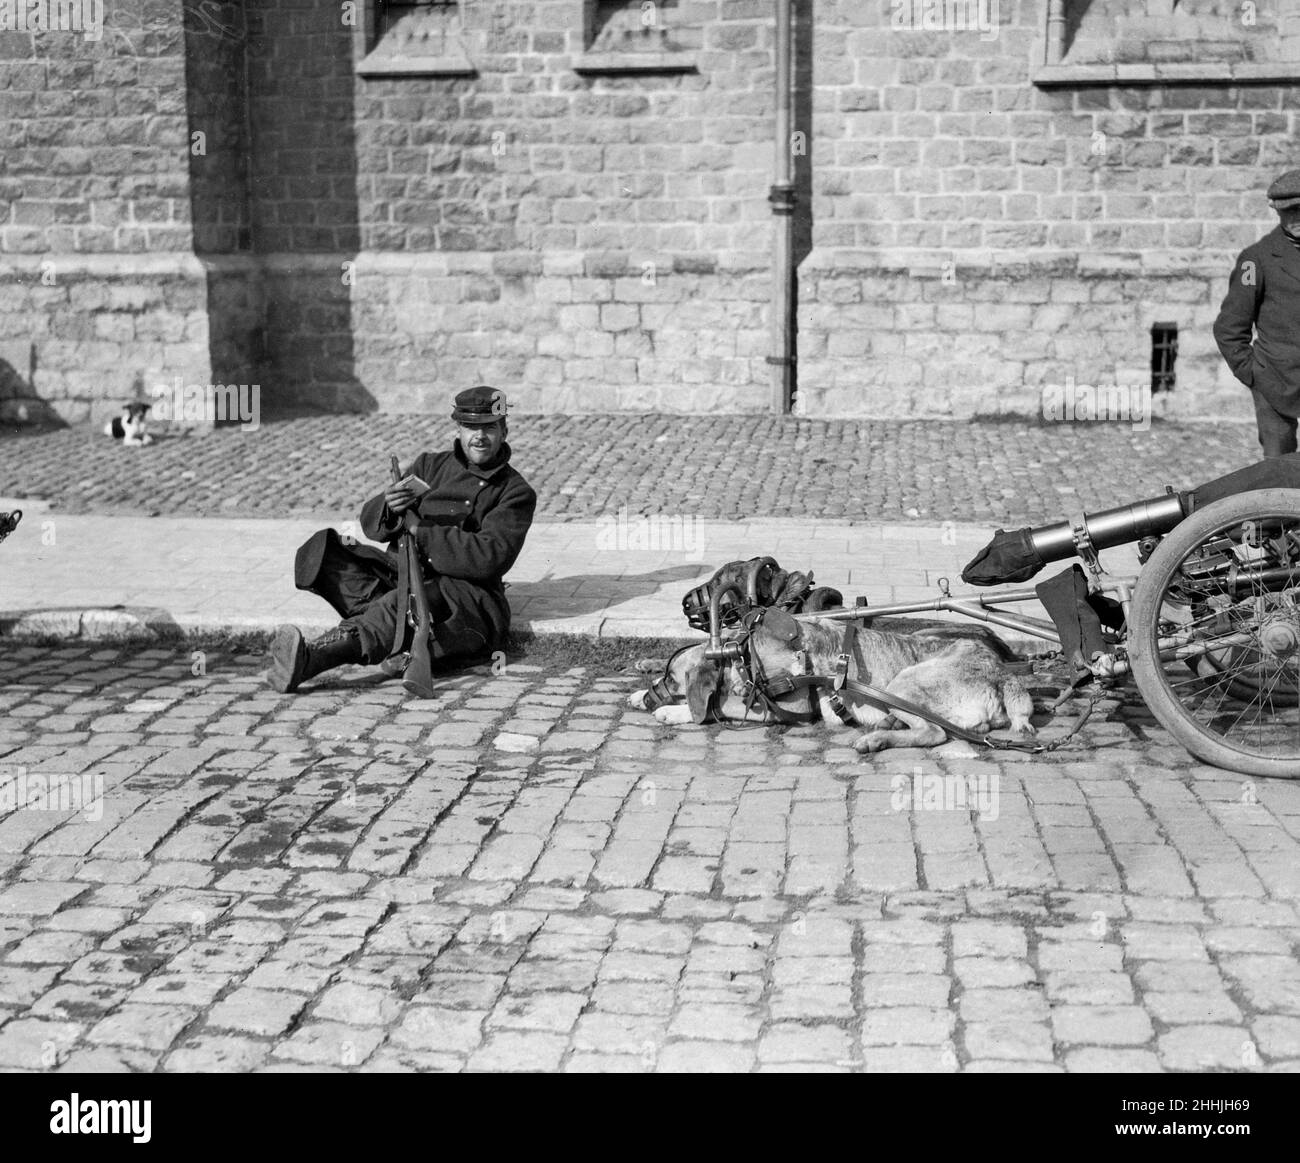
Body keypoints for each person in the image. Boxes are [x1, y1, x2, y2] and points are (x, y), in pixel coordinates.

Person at [268, 386, 537, 692]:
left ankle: (311, 659)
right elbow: (372, 526)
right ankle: (397, 639)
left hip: (465, 596)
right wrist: (389, 505)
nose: (480, 437)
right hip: (405, 574)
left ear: (504, 430)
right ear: (458, 429)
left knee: (398, 604)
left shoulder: (514, 491)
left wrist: (420, 530)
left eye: (489, 428)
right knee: (327, 553)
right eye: (471, 427)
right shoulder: (429, 466)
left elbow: (489, 556)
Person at [1213, 169, 1300, 457]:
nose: (1297, 218)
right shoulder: (1257, 259)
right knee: (1279, 470)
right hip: (1275, 380)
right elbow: (1229, 328)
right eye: (1290, 212)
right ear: (1277, 211)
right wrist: (1253, 374)